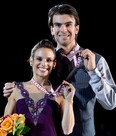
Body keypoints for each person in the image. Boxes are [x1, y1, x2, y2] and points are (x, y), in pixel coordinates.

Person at [3, 3, 116, 136]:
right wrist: (13, 88)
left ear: (77, 28)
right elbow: (29, 87)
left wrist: (93, 71)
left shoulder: (97, 61)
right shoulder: (44, 62)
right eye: (57, 25)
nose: (63, 30)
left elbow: (110, 103)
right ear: (52, 29)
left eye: (68, 24)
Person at [3, 39, 75, 136]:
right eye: (39, 59)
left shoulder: (60, 93)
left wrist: (69, 100)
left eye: (49, 60)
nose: (44, 64)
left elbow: (67, 130)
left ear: (54, 64)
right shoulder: (16, 90)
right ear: (31, 61)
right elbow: (5, 129)